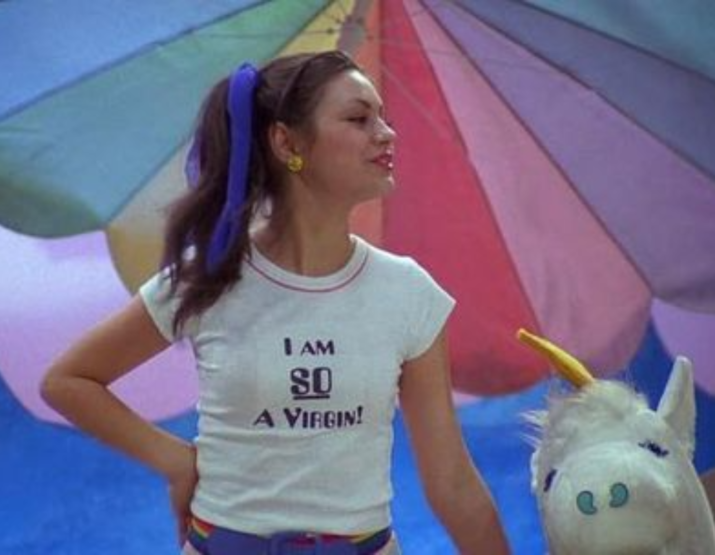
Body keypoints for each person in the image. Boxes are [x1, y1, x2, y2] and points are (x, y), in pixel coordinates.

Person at [41, 50, 510, 555]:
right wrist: (175, 460)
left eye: (383, 117)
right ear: (286, 142)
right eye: (358, 119)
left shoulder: (409, 293)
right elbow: (69, 381)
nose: (386, 134)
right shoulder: (210, 277)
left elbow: (453, 483)